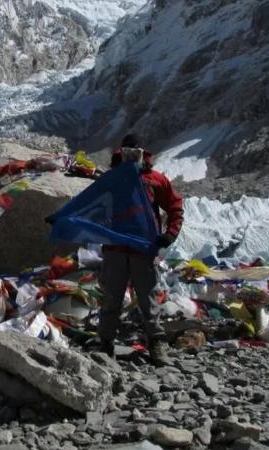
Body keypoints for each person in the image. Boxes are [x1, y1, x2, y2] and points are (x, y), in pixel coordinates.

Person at [97, 133, 184, 366]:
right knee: (112, 297)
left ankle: (156, 342)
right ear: (120, 152)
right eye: (127, 152)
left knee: (148, 297)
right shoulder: (112, 178)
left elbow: (175, 207)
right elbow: (91, 205)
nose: (131, 156)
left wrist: (170, 234)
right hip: (115, 248)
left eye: (135, 152)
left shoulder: (155, 179)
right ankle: (105, 343)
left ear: (143, 153)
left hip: (144, 249)